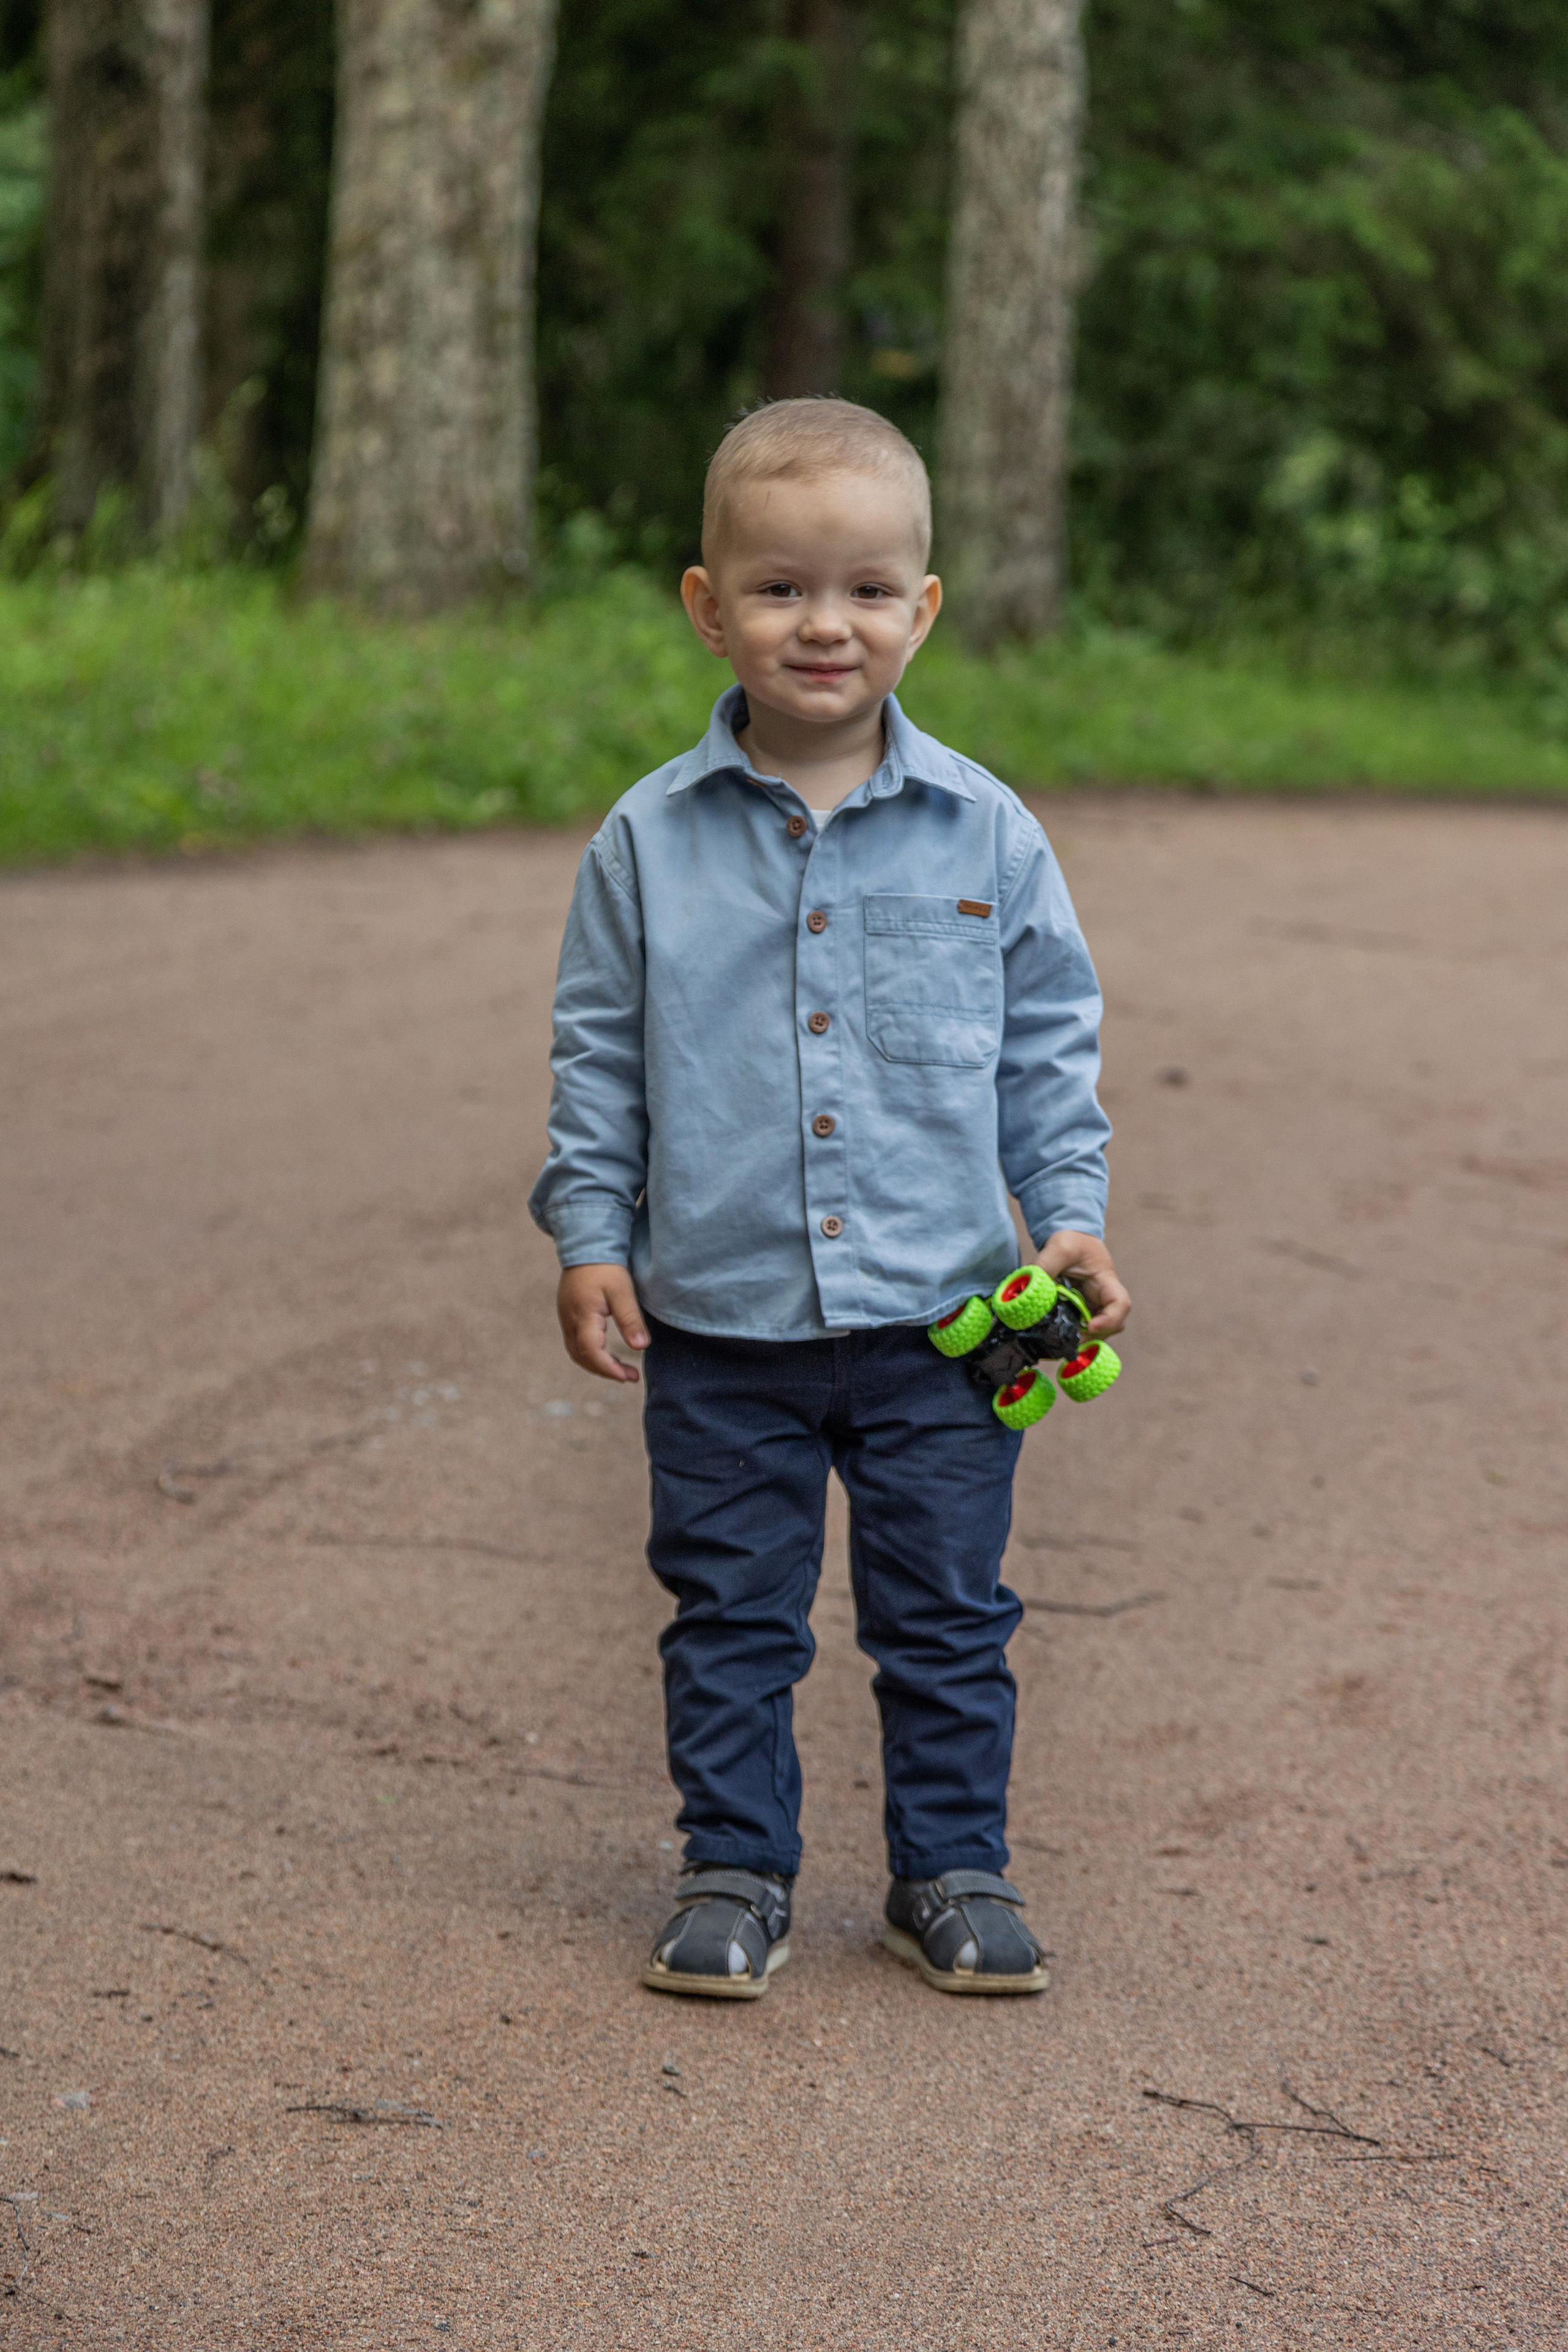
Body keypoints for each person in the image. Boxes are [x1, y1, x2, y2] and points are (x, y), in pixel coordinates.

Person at [529, 398, 1131, 2000]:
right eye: (781, 586)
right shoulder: (646, 843)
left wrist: (1070, 1211)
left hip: (950, 1322)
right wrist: (590, 1232)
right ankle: (736, 1867)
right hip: (723, 1323)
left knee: (948, 1616)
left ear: (921, 610)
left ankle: (951, 1871)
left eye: (866, 589)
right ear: (707, 604)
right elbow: (598, 1053)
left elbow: (1047, 1044)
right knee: (731, 1614)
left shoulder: (987, 833)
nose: (824, 623)